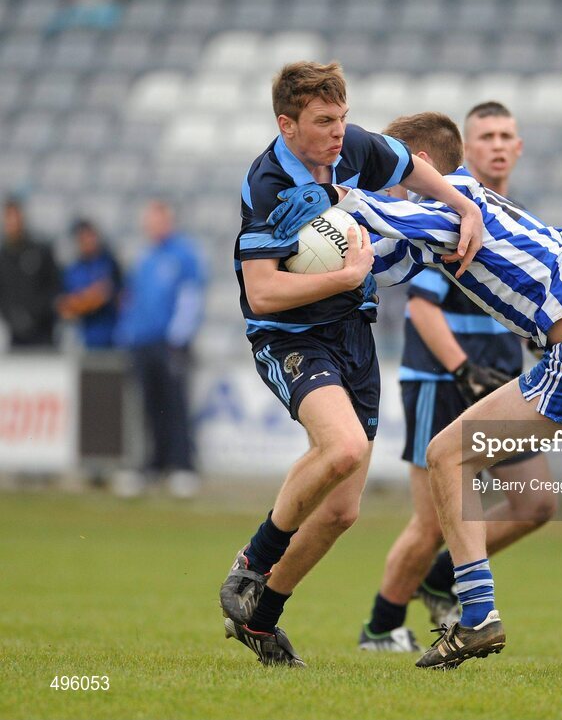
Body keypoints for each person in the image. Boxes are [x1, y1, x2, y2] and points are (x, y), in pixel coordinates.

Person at [271, 112, 562, 675]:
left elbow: (366, 209)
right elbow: (393, 259)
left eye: (396, 170)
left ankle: (475, 615)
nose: (391, 183)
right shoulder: (473, 209)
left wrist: (314, 189)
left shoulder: (450, 205)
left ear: (420, 166)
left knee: (447, 453)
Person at [218, 61, 483, 668]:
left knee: (341, 511)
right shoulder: (267, 185)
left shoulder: (351, 145)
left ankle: (261, 621)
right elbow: (261, 293)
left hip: (352, 337)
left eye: (341, 117)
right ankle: (252, 563)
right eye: (322, 122)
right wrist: (343, 276)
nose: (339, 132)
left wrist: (462, 209)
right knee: (340, 449)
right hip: (290, 337)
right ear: (287, 125)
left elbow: (412, 165)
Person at [359, 103, 557, 652]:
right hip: (442, 382)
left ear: (518, 147)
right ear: (465, 150)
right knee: (431, 522)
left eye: (506, 135)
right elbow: (423, 308)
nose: (496, 144)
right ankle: (379, 627)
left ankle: (442, 577)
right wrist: (463, 368)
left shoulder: (511, 214)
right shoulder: (447, 210)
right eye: (485, 136)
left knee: (536, 501)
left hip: (500, 379)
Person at [115, 200, 205, 499]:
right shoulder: (145, 257)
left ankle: (183, 466)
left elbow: (190, 297)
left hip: (169, 343)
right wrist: (127, 333)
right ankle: (154, 464)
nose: (151, 226)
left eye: (156, 220)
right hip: (141, 342)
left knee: (175, 404)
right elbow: (131, 299)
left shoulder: (183, 255)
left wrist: (177, 337)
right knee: (149, 406)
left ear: (168, 221)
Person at [0, 197, 61, 349]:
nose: (12, 223)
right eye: (9, 218)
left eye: (16, 217)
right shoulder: (3, 257)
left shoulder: (41, 251)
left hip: (44, 333)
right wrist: (12, 318)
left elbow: (54, 287)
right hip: (15, 335)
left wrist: (38, 314)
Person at [57, 218, 122, 349]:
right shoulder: (73, 270)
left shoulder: (109, 263)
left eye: (90, 236)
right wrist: (87, 300)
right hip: (85, 340)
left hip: (112, 338)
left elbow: (107, 294)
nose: (87, 241)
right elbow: (65, 308)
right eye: (83, 237)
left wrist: (81, 301)